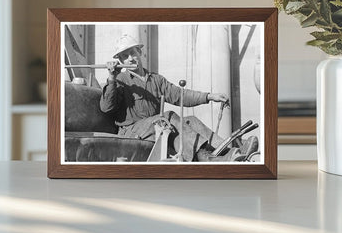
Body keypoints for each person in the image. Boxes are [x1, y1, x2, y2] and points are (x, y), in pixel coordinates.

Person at [100, 34, 258, 162]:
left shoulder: (156, 80)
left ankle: (231, 151)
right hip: (131, 132)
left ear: (140, 53)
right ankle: (205, 158)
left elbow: (180, 95)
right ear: (120, 61)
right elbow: (106, 107)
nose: (130, 58)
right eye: (125, 56)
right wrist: (112, 79)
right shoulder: (119, 81)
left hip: (156, 126)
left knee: (190, 120)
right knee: (167, 116)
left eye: (133, 53)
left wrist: (210, 96)